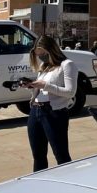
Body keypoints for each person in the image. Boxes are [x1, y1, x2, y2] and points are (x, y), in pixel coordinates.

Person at [23, 35, 75, 172]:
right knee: (38, 155)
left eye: (43, 54)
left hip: (54, 113)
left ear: (51, 50)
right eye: (38, 55)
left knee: (61, 155)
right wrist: (32, 86)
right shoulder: (44, 66)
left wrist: (45, 85)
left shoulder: (67, 65)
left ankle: (68, 186)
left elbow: (70, 92)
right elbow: (42, 88)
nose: (41, 57)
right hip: (35, 111)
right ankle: (39, 187)